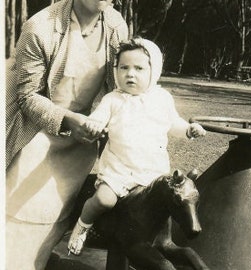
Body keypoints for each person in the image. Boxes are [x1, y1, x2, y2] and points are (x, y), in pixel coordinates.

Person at [5, 0, 128, 269]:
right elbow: (27, 97)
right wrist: (68, 121)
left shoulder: (116, 25)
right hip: (30, 133)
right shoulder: (40, 27)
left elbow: (120, 87)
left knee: (50, 227)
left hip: (79, 142)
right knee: (17, 224)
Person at [67, 37, 206, 255]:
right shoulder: (113, 100)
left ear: (154, 71)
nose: (130, 74)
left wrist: (188, 129)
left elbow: (174, 123)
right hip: (119, 170)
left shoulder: (162, 98)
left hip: (152, 171)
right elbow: (97, 119)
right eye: (124, 68)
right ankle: (82, 226)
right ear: (116, 71)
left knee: (165, 204)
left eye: (139, 68)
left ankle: (154, 243)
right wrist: (93, 125)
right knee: (104, 200)